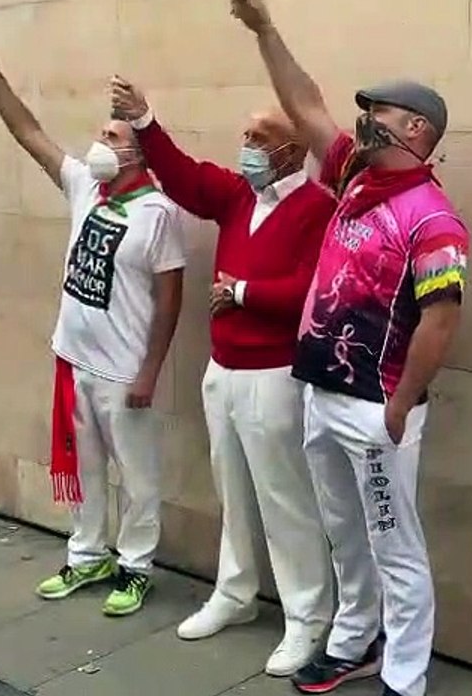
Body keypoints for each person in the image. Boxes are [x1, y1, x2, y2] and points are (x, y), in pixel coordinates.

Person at [228, 0, 469, 696]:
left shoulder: (433, 219)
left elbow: (442, 318)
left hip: (377, 409)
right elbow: (305, 105)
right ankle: (353, 641)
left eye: (379, 113)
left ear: (416, 129)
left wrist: (400, 404)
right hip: (322, 394)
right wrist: (264, 30)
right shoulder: (354, 177)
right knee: (344, 532)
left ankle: (405, 673)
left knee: (395, 543)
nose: (363, 123)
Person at [107, 76, 337, 675]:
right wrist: (144, 121)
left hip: (275, 375)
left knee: (284, 498)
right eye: (246, 135)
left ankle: (308, 616)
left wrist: (243, 292)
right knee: (231, 489)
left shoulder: (318, 208)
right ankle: (235, 592)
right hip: (225, 370)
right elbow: (183, 176)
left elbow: (311, 290)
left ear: (291, 151)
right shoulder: (238, 196)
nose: (247, 146)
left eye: (259, 138)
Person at [0, 25, 185, 618]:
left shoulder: (158, 214)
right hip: (75, 360)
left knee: (136, 476)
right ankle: (87, 555)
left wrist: (150, 370)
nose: (98, 142)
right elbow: (28, 131)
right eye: (100, 132)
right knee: (83, 469)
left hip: (123, 371)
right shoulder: (86, 185)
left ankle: (136, 567)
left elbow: (170, 300)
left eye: (112, 135)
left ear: (137, 153)